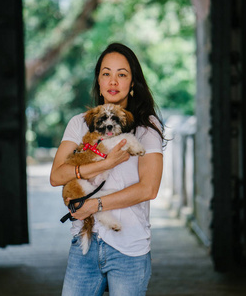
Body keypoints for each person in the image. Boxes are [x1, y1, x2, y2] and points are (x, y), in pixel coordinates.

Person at [50, 43, 165, 296]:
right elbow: (56, 176)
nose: (113, 81)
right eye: (106, 73)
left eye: (122, 74)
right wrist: (105, 164)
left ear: (133, 83)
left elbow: (149, 189)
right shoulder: (79, 124)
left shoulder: (146, 128)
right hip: (84, 243)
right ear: (98, 81)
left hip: (129, 248)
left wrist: (95, 205)